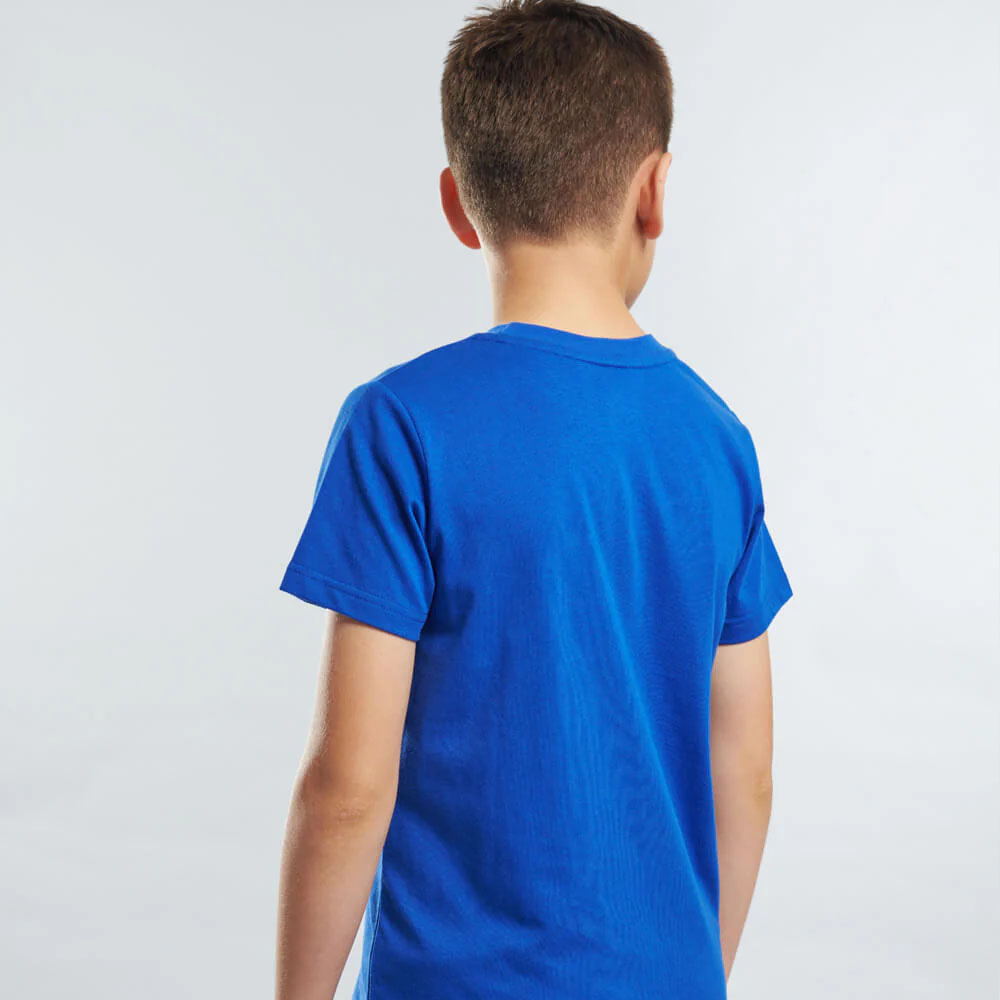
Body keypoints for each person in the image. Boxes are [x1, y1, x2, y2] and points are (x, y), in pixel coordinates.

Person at [274, 2, 793, 998]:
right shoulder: (715, 439)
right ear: (654, 190)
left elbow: (348, 787)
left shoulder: (403, 425)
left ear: (457, 204)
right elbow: (746, 765)